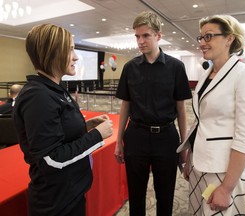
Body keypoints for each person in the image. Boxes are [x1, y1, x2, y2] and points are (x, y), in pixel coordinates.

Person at [13, 24, 113, 216]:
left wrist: (85, 126)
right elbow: (51, 159)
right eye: (70, 49)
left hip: (69, 194)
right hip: (55, 204)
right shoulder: (38, 96)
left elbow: (60, 133)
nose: (76, 57)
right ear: (52, 52)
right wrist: (97, 136)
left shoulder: (53, 89)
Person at [177, 15, 245, 215]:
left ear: (229, 39)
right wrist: (191, 156)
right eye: (200, 37)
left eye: (208, 36)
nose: (202, 43)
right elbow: (202, 121)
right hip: (201, 163)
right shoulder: (207, 75)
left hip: (226, 172)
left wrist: (226, 188)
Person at [114, 11, 192, 216]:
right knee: (136, 195)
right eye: (137, 36)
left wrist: (184, 145)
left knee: (165, 195)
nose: (140, 41)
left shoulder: (176, 67)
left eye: (145, 35)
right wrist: (118, 141)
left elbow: (181, 109)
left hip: (166, 138)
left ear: (158, 35)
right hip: (136, 136)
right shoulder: (130, 68)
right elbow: (125, 106)